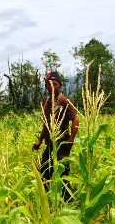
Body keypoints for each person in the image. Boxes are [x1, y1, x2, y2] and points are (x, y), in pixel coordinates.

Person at [32, 71, 79, 201]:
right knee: (44, 173)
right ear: (46, 86)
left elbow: (75, 119)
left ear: (60, 85)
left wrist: (71, 139)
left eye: (55, 83)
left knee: (63, 174)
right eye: (49, 84)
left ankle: (68, 201)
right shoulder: (47, 102)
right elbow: (45, 123)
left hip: (61, 144)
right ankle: (46, 201)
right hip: (49, 144)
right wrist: (39, 141)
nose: (52, 86)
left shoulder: (63, 101)